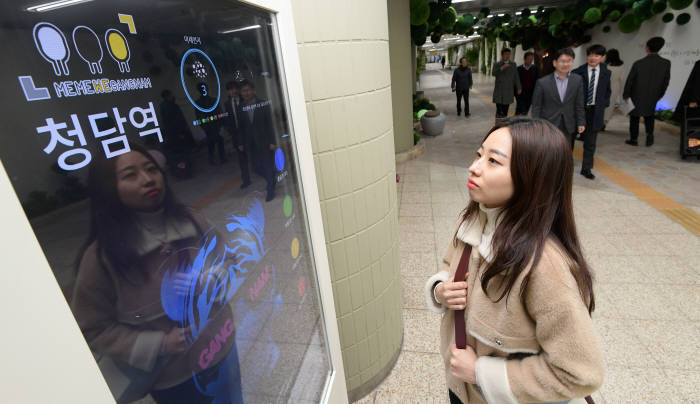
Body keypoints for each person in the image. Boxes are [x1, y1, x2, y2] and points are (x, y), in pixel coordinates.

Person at [424, 117, 603, 404]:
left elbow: (581, 373)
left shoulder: (543, 265)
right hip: (460, 388)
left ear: (532, 178)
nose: (474, 167)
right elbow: (449, 266)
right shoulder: (470, 219)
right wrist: (440, 289)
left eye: (493, 161)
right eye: (479, 154)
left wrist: (480, 372)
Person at [71, 144, 243, 404]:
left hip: (221, 346)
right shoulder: (100, 258)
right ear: (108, 187)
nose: (147, 179)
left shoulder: (193, 220)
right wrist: (158, 344)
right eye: (130, 175)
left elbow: (229, 260)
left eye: (151, 169)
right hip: (174, 378)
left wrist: (210, 280)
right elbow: (93, 328)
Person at [531, 48, 586, 149]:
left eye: (569, 61)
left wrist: (581, 122)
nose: (565, 64)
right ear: (555, 63)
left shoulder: (577, 80)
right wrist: (536, 124)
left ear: (572, 62)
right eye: (562, 61)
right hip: (548, 124)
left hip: (568, 123)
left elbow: (579, 103)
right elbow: (536, 106)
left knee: (565, 152)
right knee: (548, 152)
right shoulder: (542, 82)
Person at [623, 36, 671, 147]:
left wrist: (626, 94)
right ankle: (650, 136)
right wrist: (660, 94)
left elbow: (630, 80)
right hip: (653, 94)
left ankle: (633, 139)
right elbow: (666, 81)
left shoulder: (639, 63)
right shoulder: (666, 63)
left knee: (634, 117)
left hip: (637, 94)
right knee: (649, 115)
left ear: (647, 47)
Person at [573, 44, 611, 180]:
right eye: (590, 55)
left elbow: (607, 91)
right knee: (570, 139)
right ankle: (565, 165)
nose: (592, 58)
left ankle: (586, 168)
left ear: (602, 57)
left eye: (596, 55)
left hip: (595, 111)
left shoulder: (606, 72)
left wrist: (603, 104)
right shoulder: (577, 72)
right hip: (578, 111)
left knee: (590, 142)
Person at [238, 80, 277, 202]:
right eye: (244, 91)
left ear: (253, 91)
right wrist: (240, 143)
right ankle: (271, 179)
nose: (246, 92)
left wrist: (272, 141)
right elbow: (241, 127)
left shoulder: (263, 103)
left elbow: (270, 123)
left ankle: (270, 189)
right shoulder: (241, 107)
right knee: (255, 167)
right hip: (251, 143)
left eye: (248, 90)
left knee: (267, 164)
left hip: (264, 141)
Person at [224, 81, 251, 188]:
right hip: (236, 134)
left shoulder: (246, 100)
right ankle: (246, 180)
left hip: (249, 132)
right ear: (228, 92)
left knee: (254, 154)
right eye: (231, 89)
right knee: (241, 158)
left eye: (235, 88)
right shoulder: (227, 104)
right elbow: (229, 119)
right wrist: (231, 132)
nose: (233, 91)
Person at [195, 83, 227, 165]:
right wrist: (204, 126)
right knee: (212, 143)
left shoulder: (212, 100)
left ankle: (218, 158)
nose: (204, 90)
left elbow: (219, 112)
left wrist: (220, 124)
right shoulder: (199, 103)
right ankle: (216, 159)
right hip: (209, 127)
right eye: (202, 89)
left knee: (216, 142)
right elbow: (199, 117)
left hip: (214, 125)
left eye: (205, 88)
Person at [492, 48, 522, 120]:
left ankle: (503, 123)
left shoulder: (513, 64)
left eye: (509, 54)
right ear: (502, 55)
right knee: (499, 110)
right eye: (506, 54)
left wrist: (519, 87)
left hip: (508, 91)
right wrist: (502, 68)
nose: (507, 56)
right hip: (499, 91)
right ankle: (498, 123)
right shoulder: (497, 64)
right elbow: (493, 73)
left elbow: (516, 77)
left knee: (505, 110)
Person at [602, 49, 625, 130]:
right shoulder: (621, 66)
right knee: (610, 106)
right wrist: (622, 91)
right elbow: (622, 79)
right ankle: (604, 123)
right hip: (615, 87)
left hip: (603, 87)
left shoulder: (604, 65)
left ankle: (599, 121)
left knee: (602, 105)